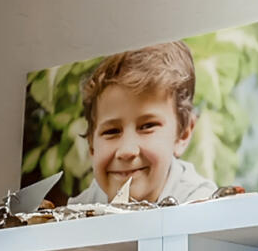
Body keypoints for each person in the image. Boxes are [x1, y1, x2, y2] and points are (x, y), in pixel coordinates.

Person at [80, 40, 218, 205]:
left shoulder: (200, 204)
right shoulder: (85, 205)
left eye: (147, 126)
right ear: (91, 144)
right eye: (111, 131)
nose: (127, 150)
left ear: (183, 134)